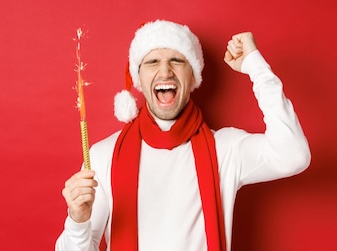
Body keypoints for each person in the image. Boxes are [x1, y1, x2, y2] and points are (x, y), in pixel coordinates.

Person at [55, 20, 311, 251]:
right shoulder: (103, 155)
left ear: (193, 76)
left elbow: (294, 155)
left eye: (177, 61)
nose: (165, 72)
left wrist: (256, 66)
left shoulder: (225, 149)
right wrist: (78, 221)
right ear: (139, 78)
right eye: (152, 61)